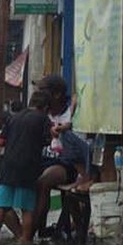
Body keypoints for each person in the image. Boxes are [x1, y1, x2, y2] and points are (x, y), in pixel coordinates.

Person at [31, 73, 91, 236]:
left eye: (43, 90)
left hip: (67, 164)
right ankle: (35, 229)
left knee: (44, 181)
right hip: (43, 160)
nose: (38, 94)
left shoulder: (73, 113)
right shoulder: (40, 112)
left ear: (56, 94)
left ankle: (33, 232)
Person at [0, 89, 52, 242]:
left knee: (1, 205)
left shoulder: (14, 118)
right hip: (28, 166)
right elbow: (47, 141)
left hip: (8, 165)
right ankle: (25, 241)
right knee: (27, 208)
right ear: (45, 107)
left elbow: (2, 140)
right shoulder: (43, 119)